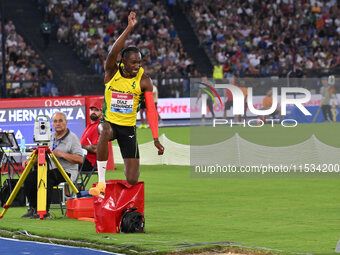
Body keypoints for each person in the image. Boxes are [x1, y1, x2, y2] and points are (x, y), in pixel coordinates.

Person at [89, 12, 164, 196]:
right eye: (132, 62)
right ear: (123, 61)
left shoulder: (144, 81)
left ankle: (117, 195)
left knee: (132, 179)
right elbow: (113, 52)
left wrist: (155, 138)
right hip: (109, 123)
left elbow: (151, 110)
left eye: (139, 62)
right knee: (105, 131)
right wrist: (129, 29)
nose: (136, 66)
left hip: (128, 128)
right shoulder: (111, 71)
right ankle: (101, 183)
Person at [22, 112, 83, 218]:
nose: (58, 124)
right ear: (52, 124)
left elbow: (80, 159)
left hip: (66, 171)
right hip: (49, 170)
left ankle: (44, 211)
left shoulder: (73, 138)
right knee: (30, 177)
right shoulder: (49, 137)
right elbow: (43, 155)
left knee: (47, 178)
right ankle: (33, 208)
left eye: (60, 121)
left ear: (66, 122)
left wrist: (62, 154)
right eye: (55, 121)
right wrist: (30, 161)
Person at [80, 101, 103, 171]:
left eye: (96, 110)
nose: (93, 112)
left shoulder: (99, 126)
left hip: (90, 162)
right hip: (83, 159)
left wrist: (78, 145)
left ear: (101, 112)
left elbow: (96, 149)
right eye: (92, 109)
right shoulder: (90, 126)